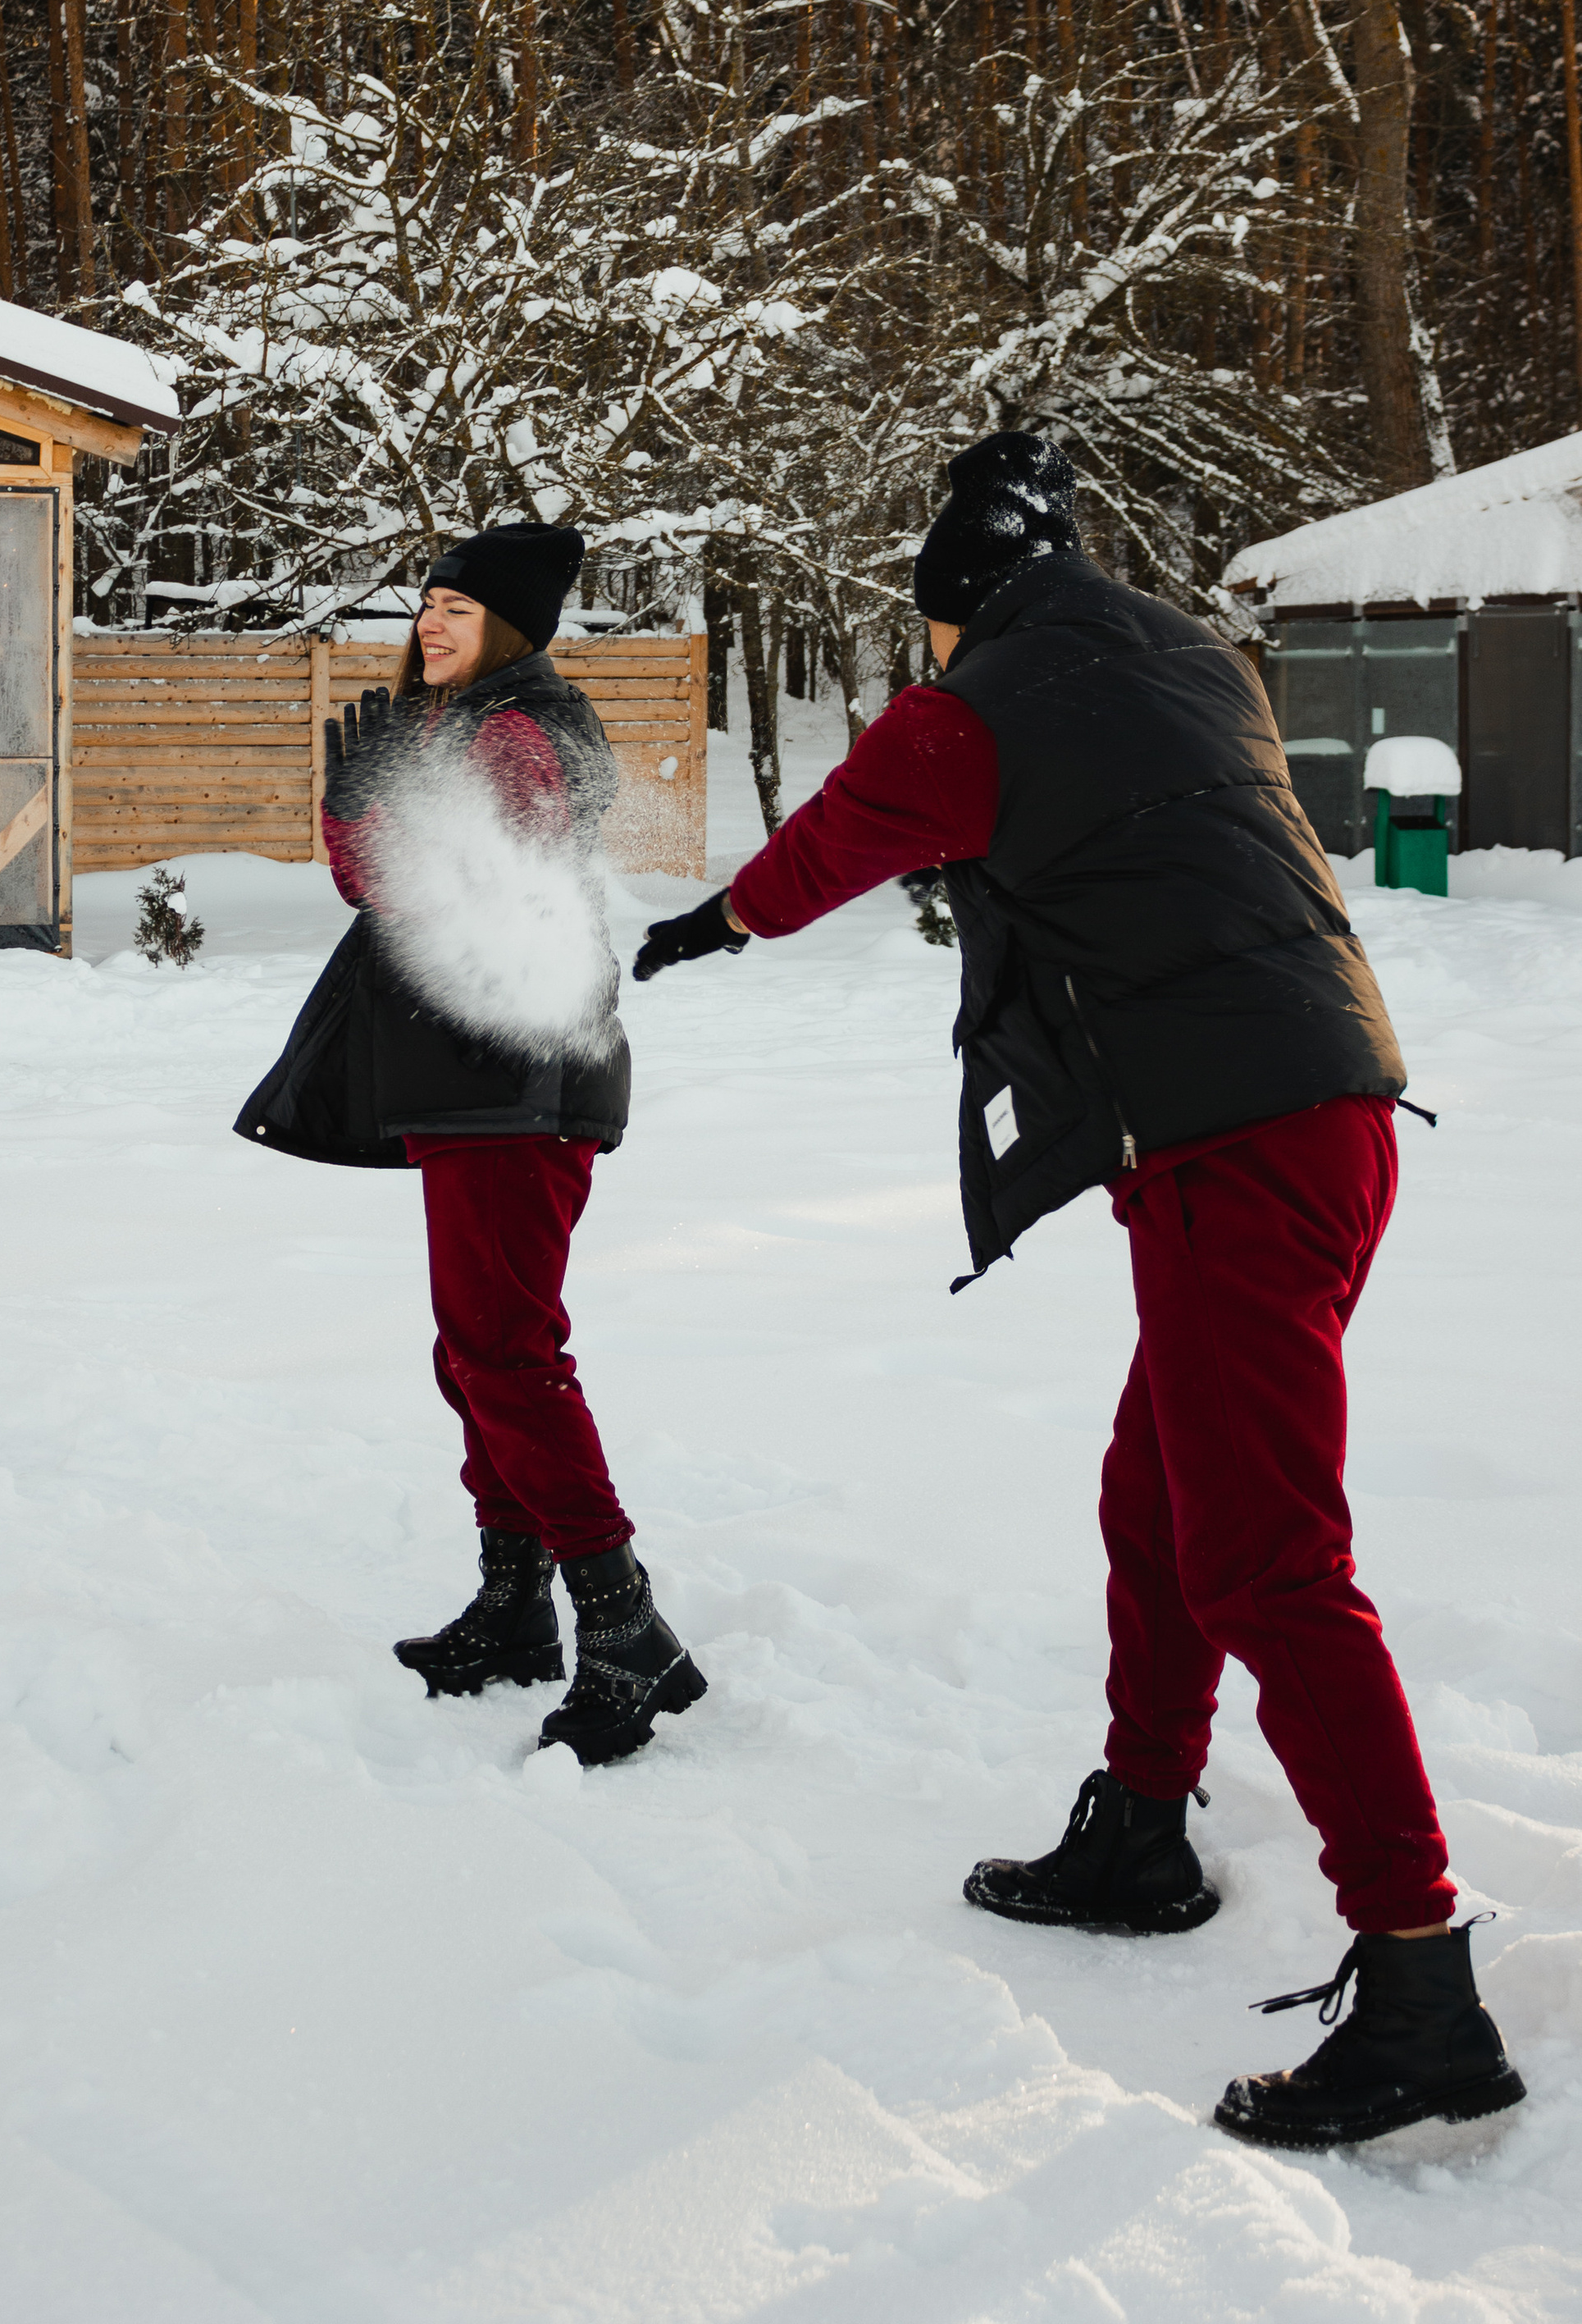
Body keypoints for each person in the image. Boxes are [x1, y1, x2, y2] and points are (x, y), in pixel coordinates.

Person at [634, 435, 1524, 2151]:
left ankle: (1417, 1981)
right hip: (1331, 1113)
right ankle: (1138, 1822)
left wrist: (712, 925)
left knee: (1265, 1552)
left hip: (1226, 1146)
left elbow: (828, 845)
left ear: (954, 610)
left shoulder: (966, 709)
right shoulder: (1192, 657)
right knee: (1158, 1491)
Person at [239, 519, 707, 1766]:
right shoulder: (460, 728)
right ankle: (515, 1604)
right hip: (478, 1081)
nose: (428, 622)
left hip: (520, 1080)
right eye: (424, 603)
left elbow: (464, 886)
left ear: (509, 628)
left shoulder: (516, 731)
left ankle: (624, 1625)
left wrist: (365, 816)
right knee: (477, 1349)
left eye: (456, 607)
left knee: (507, 1349)